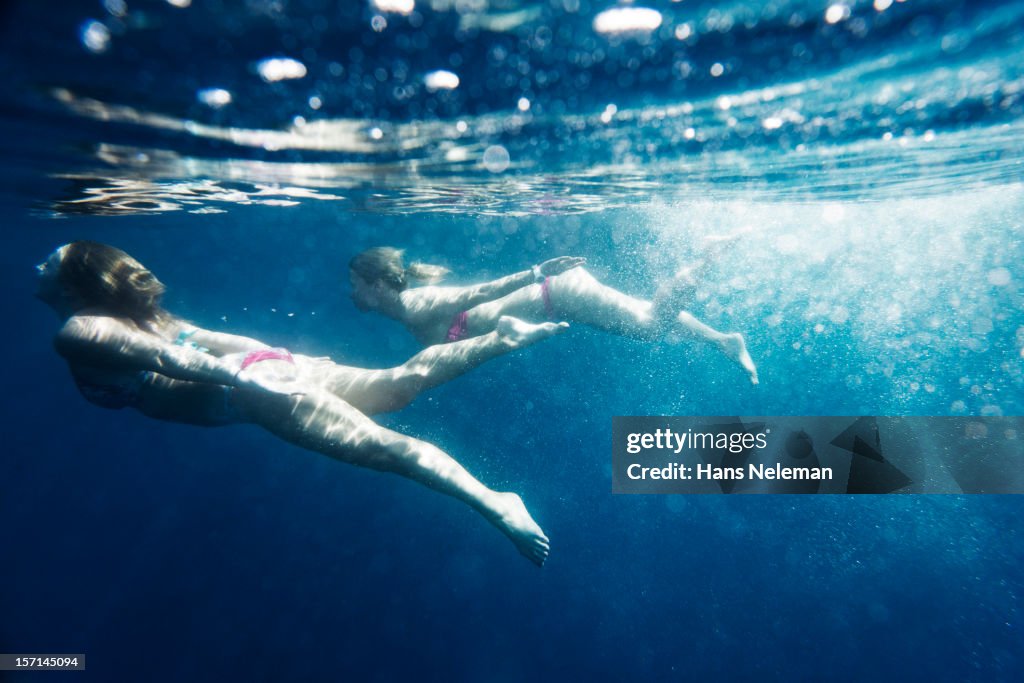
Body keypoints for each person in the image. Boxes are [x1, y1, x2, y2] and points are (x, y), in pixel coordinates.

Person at [36, 241, 554, 565]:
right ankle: (499, 339)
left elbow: (172, 362)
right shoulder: (146, 319)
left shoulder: (78, 330)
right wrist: (277, 359)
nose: (38, 265)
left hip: (249, 390)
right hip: (260, 369)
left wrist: (251, 377)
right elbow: (203, 337)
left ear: (75, 281)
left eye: (50, 261)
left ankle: (496, 502)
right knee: (398, 385)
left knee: (385, 448)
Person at [347, 241, 759, 384]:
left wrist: (536, 272)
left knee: (650, 325)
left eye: (356, 283)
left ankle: (709, 256)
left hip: (555, 293)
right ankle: (724, 340)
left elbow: (482, 291)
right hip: (555, 292)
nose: (352, 292)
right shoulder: (406, 308)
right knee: (645, 313)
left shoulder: (415, 305)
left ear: (377, 285)